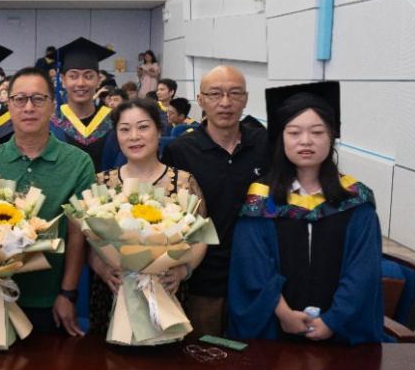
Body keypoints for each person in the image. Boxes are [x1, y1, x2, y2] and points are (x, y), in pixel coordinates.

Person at [228, 81, 384, 344]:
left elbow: (363, 270)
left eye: (317, 132)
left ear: (331, 136)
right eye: (294, 132)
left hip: (342, 337)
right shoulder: (261, 201)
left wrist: (333, 321)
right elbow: (252, 266)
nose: (306, 141)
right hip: (275, 334)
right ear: (281, 139)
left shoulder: (355, 200)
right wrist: (284, 313)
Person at [0, 67, 93, 336]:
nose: (29, 107)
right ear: (8, 105)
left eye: (38, 99)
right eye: (20, 99)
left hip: (51, 300)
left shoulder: (78, 162)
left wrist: (68, 293)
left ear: (53, 106)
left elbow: (77, 235)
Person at [162, 65, 268, 336]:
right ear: (200, 100)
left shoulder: (266, 145)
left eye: (235, 93)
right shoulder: (180, 151)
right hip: (203, 277)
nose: (225, 102)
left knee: (254, 353)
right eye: (215, 94)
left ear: (246, 99)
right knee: (204, 351)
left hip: (257, 274)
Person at [88, 99, 208, 337]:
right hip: (115, 288)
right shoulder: (103, 183)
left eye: (143, 127)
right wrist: (101, 267)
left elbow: (201, 236)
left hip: (166, 288)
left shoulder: (183, 182)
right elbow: (89, 238)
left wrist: (183, 271)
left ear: (159, 131)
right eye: (125, 129)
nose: (134, 136)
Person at [49, 37, 115, 169]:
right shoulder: (51, 124)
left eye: (88, 76)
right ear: (63, 80)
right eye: (73, 76)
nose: (81, 83)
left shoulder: (113, 122)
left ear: (98, 80)